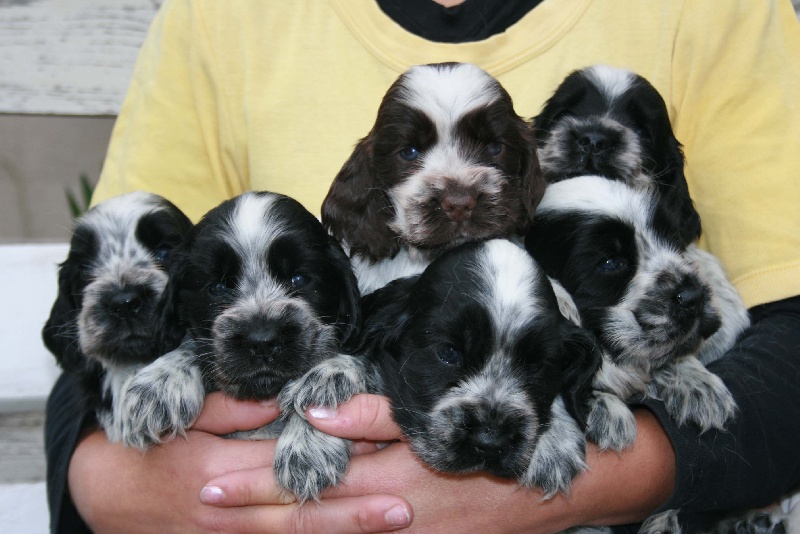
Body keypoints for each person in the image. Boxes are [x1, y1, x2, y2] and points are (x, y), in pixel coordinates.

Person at [45, 0, 800, 532]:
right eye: (412, 152)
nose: (458, 194)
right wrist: (116, 486)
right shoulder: (218, 18)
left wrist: (593, 486)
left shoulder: (719, 12)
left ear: (530, 170)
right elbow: (112, 331)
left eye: (489, 150)